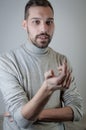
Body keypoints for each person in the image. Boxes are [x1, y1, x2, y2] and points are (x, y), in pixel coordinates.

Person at [0, 0, 83, 130]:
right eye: (36, 21)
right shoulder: (7, 61)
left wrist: (36, 115)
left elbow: (77, 110)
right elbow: (23, 122)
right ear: (25, 25)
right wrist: (47, 89)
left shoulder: (62, 60)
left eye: (49, 22)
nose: (44, 28)